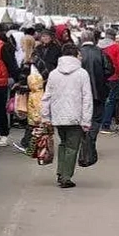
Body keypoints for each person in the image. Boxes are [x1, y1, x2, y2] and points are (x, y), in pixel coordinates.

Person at [41, 47, 94, 188]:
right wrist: (86, 120)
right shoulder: (82, 74)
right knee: (72, 147)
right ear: (76, 55)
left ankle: (61, 172)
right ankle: (66, 177)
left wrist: (45, 116)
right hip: (75, 116)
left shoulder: (53, 74)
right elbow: (87, 98)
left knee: (63, 143)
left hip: (58, 115)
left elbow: (47, 96)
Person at [78, 28, 112, 138]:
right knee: (96, 118)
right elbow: (110, 69)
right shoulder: (100, 52)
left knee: (81, 117)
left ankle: (85, 141)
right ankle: (90, 140)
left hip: (79, 93)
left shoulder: (77, 53)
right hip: (98, 91)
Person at [100, 34, 119, 134]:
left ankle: (101, 122)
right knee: (111, 101)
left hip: (102, 78)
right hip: (114, 77)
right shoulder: (116, 48)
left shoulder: (99, 47)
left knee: (103, 100)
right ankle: (106, 124)